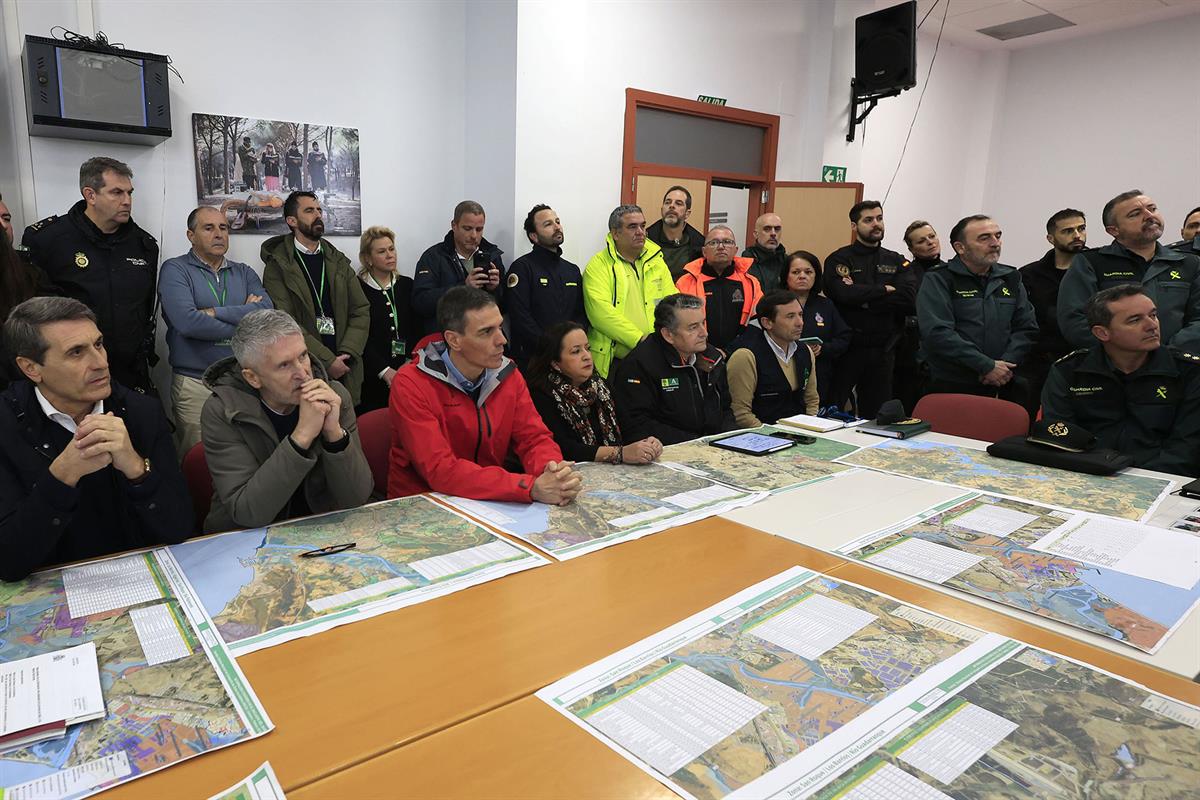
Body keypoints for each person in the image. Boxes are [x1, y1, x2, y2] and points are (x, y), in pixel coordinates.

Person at [0, 297, 191, 581]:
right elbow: (8, 562)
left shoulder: (141, 411)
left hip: (135, 577)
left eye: (98, 344)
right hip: (53, 585)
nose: (101, 363)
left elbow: (180, 529)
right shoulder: (6, 426)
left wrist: (137, 469)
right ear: (31, 368)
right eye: (76, 352)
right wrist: (62, 475)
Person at [388, 287, 581, 504]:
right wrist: (528, 488)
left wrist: (552, 471)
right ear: (454, 340)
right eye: (486, 332)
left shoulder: (507, 374)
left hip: (488, 497)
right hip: (423, 503)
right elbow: (440, 469)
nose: (502, 340)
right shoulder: (411, 383)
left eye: (500, 327)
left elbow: (534, 438)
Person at [200, 310, 372, 533]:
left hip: (321, 530)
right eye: (284, 365)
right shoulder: (223, 411)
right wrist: (302, 436)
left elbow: (357, 498)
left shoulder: (333, 396)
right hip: (247, 539)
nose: (303, 373)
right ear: (252, 378)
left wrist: (334, 435)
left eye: (303, 356)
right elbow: (247, 512)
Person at [22, 157, 159, 393]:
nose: (127, 201)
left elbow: (145, 308)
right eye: (116, 192)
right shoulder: (48, 240)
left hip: (130, 371)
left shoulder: (143, 245)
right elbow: (33, 313)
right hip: (71, 372)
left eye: (129, 193)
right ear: (90, 195)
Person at [1042, 284, 1200, 476]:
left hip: (1165, 478)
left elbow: (1187, 447)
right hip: (1087, 474)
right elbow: (1061, 436)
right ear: (1102, 333)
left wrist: (1144, 481)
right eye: (1135, 320)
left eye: (1153, 315)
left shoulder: (1189, 371)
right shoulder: (1069, 371)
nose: (1152, 325)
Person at [159, 207, 273, 456]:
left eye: (223, 228)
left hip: (241, 381)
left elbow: (265, 313)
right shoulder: (175, 270)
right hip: (195, 383)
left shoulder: (244, 272)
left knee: (246, 457)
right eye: (208, 228)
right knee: (198, 459)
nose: (219, 234)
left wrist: (212, 312)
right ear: (191, 235)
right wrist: (243, 316)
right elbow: (188, 323)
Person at [261, 191, 370, 405]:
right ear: (292, 221)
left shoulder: (338, 260)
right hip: (303, 369)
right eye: (309, 211)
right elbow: (285, 322)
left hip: (345, 365)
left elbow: (360, 309)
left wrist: (347, 352)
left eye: (319, 210)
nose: (318, 215)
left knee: (345, 420)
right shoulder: (277, 266)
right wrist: (327, 361)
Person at [1058, 190, 1200, 353]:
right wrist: (1123, 355)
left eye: (1152, 209)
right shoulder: (1091, 262)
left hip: (1178, 362)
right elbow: (1075, 320)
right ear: (1114, 230)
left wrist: (1167, 355)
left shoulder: (1189, 263)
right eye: (1135, 214)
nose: (1149, 216)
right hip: (1114, 364)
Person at [917, 215, 1038, 404]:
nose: (995, 243)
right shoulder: (940, 278)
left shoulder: (1010, 278)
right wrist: (986, 366)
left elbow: (1026, 328)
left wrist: (1003, 367)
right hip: (953, 383)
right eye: (984, 238)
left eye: (998, 236)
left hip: (1005, 380)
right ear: (960, 248)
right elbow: (937, 332)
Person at [823, 200, 917, 418]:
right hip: (847, 348)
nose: (876, 224)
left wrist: (864, 299)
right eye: (868, 220)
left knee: (877, 415)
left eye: (879, 218)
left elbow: (909, 300)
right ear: (854, 226)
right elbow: (842, 294)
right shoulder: (839, 259)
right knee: (832, 409)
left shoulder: (896, 260)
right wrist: (884, 289)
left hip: (884, 349)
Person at [526, 321, 662, 464]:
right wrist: (618, 453)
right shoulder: (542, 395)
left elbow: (630, 427)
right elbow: (564, 448)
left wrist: (647, 442)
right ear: (555, 363)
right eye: (576, 351)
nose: (586, 356)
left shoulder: (601, 386)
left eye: (588, 348)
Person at [613, 293, 730, 445]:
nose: (704, 333)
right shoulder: (638, 366)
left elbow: (726, 409)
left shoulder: (712, 357)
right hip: (669, 451)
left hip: (714, 446)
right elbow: (637, 426)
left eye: (703, 323)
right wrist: (698, 445)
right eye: (693, 327)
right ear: (668, 334)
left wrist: (731, 439)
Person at [582, 204, 674, 379]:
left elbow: (672, 303)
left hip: (658, 354)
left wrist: (667, 338)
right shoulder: (598, 265)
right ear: (615, 234)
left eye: (643, 226)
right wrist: (640, 340)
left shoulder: (657, 262)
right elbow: (600, 313)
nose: (640, 232)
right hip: (617, 361)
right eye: (632, 227)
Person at [1017, 209, 1087, 415]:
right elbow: (1022, 321)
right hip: (1038, 363)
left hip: (1084, 361)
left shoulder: (1096, 268)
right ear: (1050, 238)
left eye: (1081, 228)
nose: (1077, 235)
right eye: (1068, 231)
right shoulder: (1029, 274)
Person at [503, 204, 586, 366]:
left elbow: (581, 313)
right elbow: (520, 316)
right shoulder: (522, 268)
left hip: (568, 358)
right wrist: (550, 348)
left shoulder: (572, 270)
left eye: (557, 222)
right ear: (534, 236)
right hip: (533, 359)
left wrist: (573, 344)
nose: (557, 227)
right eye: (548, 224)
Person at [412, 200, 505, 337]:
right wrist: (463, 287)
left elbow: (505, 307)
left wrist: (495, 289)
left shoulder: (492, 256)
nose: (474, 235)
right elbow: (421, 303)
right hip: (448, 338)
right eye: (467, 228)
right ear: (454, 226)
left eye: (479, 229)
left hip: (485, 336)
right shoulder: (433, 257)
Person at [727, 291, 819, 427]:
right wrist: (773, 436)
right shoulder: (745, 356)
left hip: (800, 432)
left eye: (800, 315)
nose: (800, 323)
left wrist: (809, 428)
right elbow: (741, 414)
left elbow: (811, 400)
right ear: (767, 322)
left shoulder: (805, 351)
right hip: (761, 434)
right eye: (790, 316)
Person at [356, 225, 416, 413]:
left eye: (391, 249)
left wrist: (410, 362)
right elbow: (358, 336)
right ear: (368, 258)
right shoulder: (357, 288)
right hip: (372, 376)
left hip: (407, 372)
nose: (390, 255)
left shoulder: (407, 285)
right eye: (382, 251)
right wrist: (384, 370)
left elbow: (417, 327)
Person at [674, 225, 762, 352]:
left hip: (740, 353)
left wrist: (731, 351)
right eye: (714, 242)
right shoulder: (685, 282)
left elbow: (756, 323)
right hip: (697, 354)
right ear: (704, 251)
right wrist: (708, 352)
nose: (721, 247)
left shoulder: (751, 283)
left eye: (727, 242)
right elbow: (680, 325)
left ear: (736, 250)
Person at [779, 250, 849, 405]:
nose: (802, 276)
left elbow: (844, 338)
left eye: (808, 272)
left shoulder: (826, 305)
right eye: (796, 272)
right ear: (786, 276)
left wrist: (823, 349)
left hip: (819, 375)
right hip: (781, 372)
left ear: (816, 276)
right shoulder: (775, 304)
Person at [645, 186, 705, 280]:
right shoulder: (646, 240)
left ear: (687, 213)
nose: (671, 206)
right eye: (668, 202)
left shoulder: (699, 245)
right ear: (662, 210)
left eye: (678, 203)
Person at [742, 213, 787, 294]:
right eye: (767, 229)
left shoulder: (788, 262)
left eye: (777, 229)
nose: (773, 233)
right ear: (756, 234)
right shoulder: (745, 263)